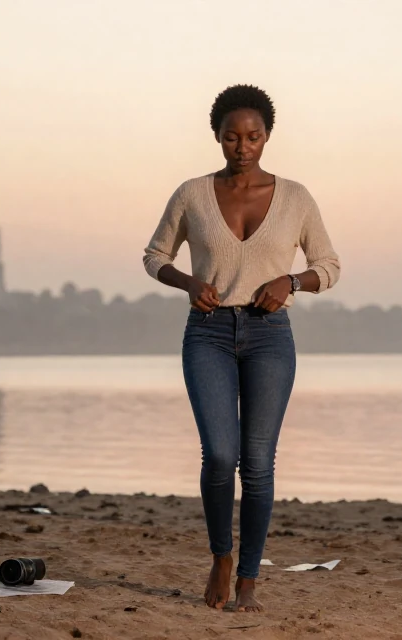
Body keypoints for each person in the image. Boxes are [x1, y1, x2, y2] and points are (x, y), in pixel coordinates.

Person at [142, 84, 341, 612]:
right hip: (206, 334)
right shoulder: (191, 193)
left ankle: (249, 579)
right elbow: (153, 254)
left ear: (267, 136)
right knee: (220, 455)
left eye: (253, 136)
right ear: (218, 137)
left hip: (269, 338)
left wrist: (292, 284)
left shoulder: (296, 197)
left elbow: (330, 265)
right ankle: (221, 557)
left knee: (256, 463)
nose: (243, 146)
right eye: (232, 137)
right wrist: (188, 283)